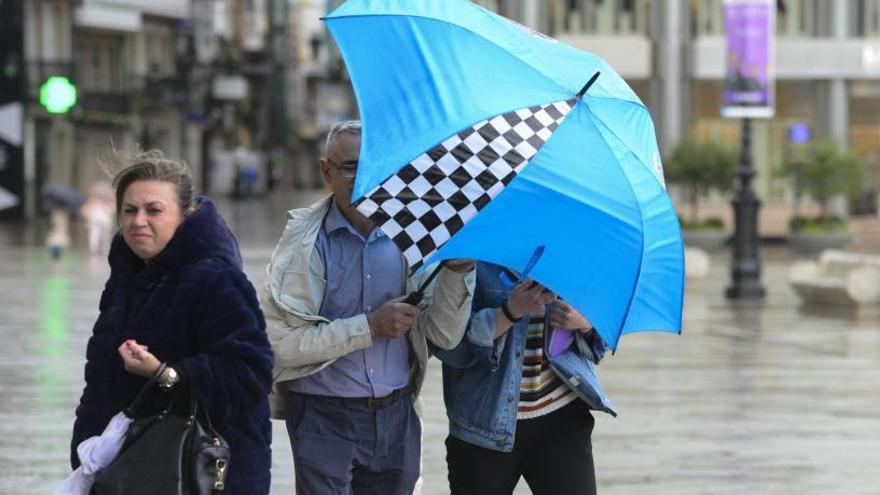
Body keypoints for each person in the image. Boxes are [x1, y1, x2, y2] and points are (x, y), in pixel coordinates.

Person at [261, 120, 476, 495]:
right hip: (322, 416)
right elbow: (282, 344)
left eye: (376, 166)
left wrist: (459, 273)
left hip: (396, 416)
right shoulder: (303, 244)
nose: (365, 179)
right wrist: (369, 327)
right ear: (326, 170)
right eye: (350, 167)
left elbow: (443, 335)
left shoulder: (415, 237)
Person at [69, 150, 274, 494]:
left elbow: (250, 374)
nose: (138, 221)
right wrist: (85, 450)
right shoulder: (127, 278)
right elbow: (101, 379)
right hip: (130, 472)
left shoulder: (216, 279)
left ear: (185, 214)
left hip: (206, 476)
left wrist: (165, 375)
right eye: (130, 210)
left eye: (154, 210)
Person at [432, 261, 617, 495]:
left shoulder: (572, 254)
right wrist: (509, 312)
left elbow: (600, 341)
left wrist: (586, 323)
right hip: (484, 425)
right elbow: (449, 347)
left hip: (562, 417)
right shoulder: (471, 253)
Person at [80, 180, 115, 256]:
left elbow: (112, 210)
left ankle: (101, 250)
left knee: (101, 236)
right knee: (96, 235)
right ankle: (96, 250)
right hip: (98, 221)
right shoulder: (93, 202)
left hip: (102, 222)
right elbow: (85, 211)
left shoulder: (106, 203)